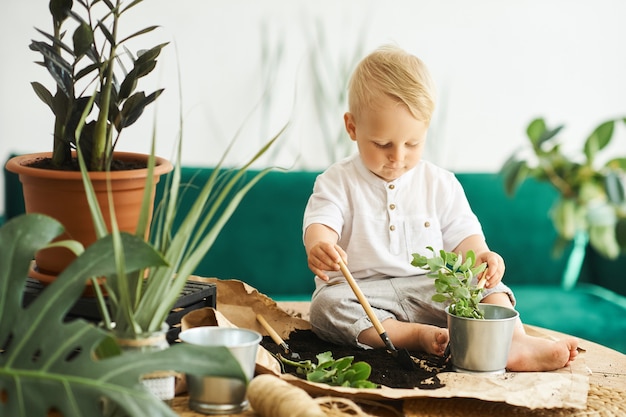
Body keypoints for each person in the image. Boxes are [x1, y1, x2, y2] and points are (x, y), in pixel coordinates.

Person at [302, 44, 579, 372]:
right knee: (326, 308)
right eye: (382, 144)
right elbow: (322, 221)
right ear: (352, 127)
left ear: (425, 131)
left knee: (485, 285)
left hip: (432, 288)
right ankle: (418, 336)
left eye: (412, 143)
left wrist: (483, 257)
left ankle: (513, 341)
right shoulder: (337, 180)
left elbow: (465, 236)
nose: (398, 156)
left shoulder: (440, 183)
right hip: (364, 294)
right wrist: (320, 244)